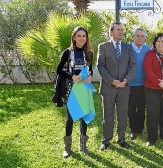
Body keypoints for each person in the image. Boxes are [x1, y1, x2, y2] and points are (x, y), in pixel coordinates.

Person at [97, 21, 137, 150]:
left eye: (122, 29)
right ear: (111, 32)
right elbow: (100, 66)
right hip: (109, 87)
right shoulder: (103, 47)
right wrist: (112, 81)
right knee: (107, 115)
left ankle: (121, 139)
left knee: (122, 115)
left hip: (124, 87)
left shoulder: (128, 47)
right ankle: (106, 140)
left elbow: (133, 65)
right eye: (118, 29)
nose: (121, 32)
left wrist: (126, 80)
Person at [56, 26, 93, 158]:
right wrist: (71, 76)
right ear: (74, 37)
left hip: (84, 89)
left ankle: (83, 146)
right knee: (70, 118)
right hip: (71, 89)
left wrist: (89, 77)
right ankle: (67, 147)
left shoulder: (89, 53)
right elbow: (59, 70)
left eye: (84, 36)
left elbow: (91, 70)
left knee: (84, 117)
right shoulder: (67, 52)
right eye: (79, 36)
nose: (82, 38)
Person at [128, 28, 151, 140]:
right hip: (130, 84)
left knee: (141, 108)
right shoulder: (127, 48)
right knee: (131, 108)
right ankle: (133, 130)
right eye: (138, 36)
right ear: (134, 36)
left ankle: (141, 129)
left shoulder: (148, 49)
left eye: (142, 36)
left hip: (143, 85)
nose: (140, 38)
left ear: (145, 38)